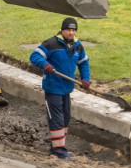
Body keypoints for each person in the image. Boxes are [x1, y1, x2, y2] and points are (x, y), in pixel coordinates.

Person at [29, 17, 91, 159]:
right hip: (53, 87)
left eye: (73, 30)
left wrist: (85, 79)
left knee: (66, 118)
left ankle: (57, 146)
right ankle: (59, 150)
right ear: (62, 30)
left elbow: (84, 63)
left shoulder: (77, 45)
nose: (71, 33)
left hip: (66, 88)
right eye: (68, 30)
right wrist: (46, 65)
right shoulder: (51, 43)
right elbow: (34, 56)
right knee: (57, 118)